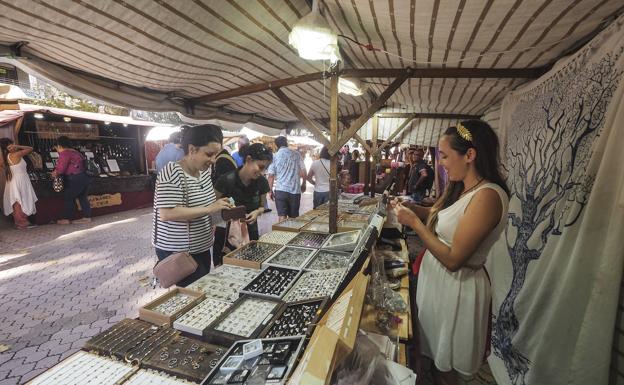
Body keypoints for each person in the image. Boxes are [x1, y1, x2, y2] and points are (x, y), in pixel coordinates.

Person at [392, 120, 510, 385]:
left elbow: (455, 259)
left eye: (445, 156)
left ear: (470, 155)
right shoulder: (462, 189)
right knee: (434, 358)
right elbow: (440, 217)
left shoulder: (488, 196)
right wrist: (410, 209)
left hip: (458, 288)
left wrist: (414, 224)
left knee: (448, 368)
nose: (441, 163)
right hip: (439, 285)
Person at [152, 124, 232, 287]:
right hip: (179, 253)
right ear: (192, 149)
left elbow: (208, 205)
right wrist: (210, 208)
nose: (213, 160)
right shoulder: (172, 172)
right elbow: (167, 214)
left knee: (200, 291)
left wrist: (225, 210)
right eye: (209, 154)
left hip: (200, 248)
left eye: (216, 154)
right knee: (190, 297)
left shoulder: (204, 173)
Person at [215, 143, 272, 241]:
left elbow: (262, 206)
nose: (262, 172)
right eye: (260, 167)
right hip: (226, 235)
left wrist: (257, 212)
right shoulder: (226, 180)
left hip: (250, 232)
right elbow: (212, 205)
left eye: (265, 168)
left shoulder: (262, 182)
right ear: (249, 159)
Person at [52, 136, 92, 224]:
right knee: (82, 197)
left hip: (75, 178)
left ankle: (67, 219)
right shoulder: (76, 152)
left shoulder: (65, 153)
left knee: (68, 197)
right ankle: (87, 217)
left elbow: (61, 169)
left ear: (59, 145)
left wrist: (54, 173)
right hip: (84, 177)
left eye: (56, 148)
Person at [1, 138, 38, 229]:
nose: (13, 146)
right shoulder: (15, 155)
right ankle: (22, 223)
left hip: (16, 180)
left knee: (18, 200)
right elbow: (30, 148)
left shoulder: (7, 157)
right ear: (7, 148)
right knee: (19, 201)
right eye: (11, 145)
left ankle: (20, 222)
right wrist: (18, 146)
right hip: (19, 179)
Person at [267, 136, 306, 221]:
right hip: (295, 191)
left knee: (282, 216)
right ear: (286, 143)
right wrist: (304, 183)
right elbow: (303, 171)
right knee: (294, 218)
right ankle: (293, 234)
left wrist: (270, 190)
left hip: (281, 190)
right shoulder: (296, 154)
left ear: (276, 145)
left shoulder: (275, 156)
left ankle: (282, 234)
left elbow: (271, 175)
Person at [211, 147, 238, 266]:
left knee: (221, 236)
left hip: (223, 205)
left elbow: (221, 187)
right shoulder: (227, 158)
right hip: (227, 202)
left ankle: (219, 263)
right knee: (223, 234)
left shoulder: (222, 161)